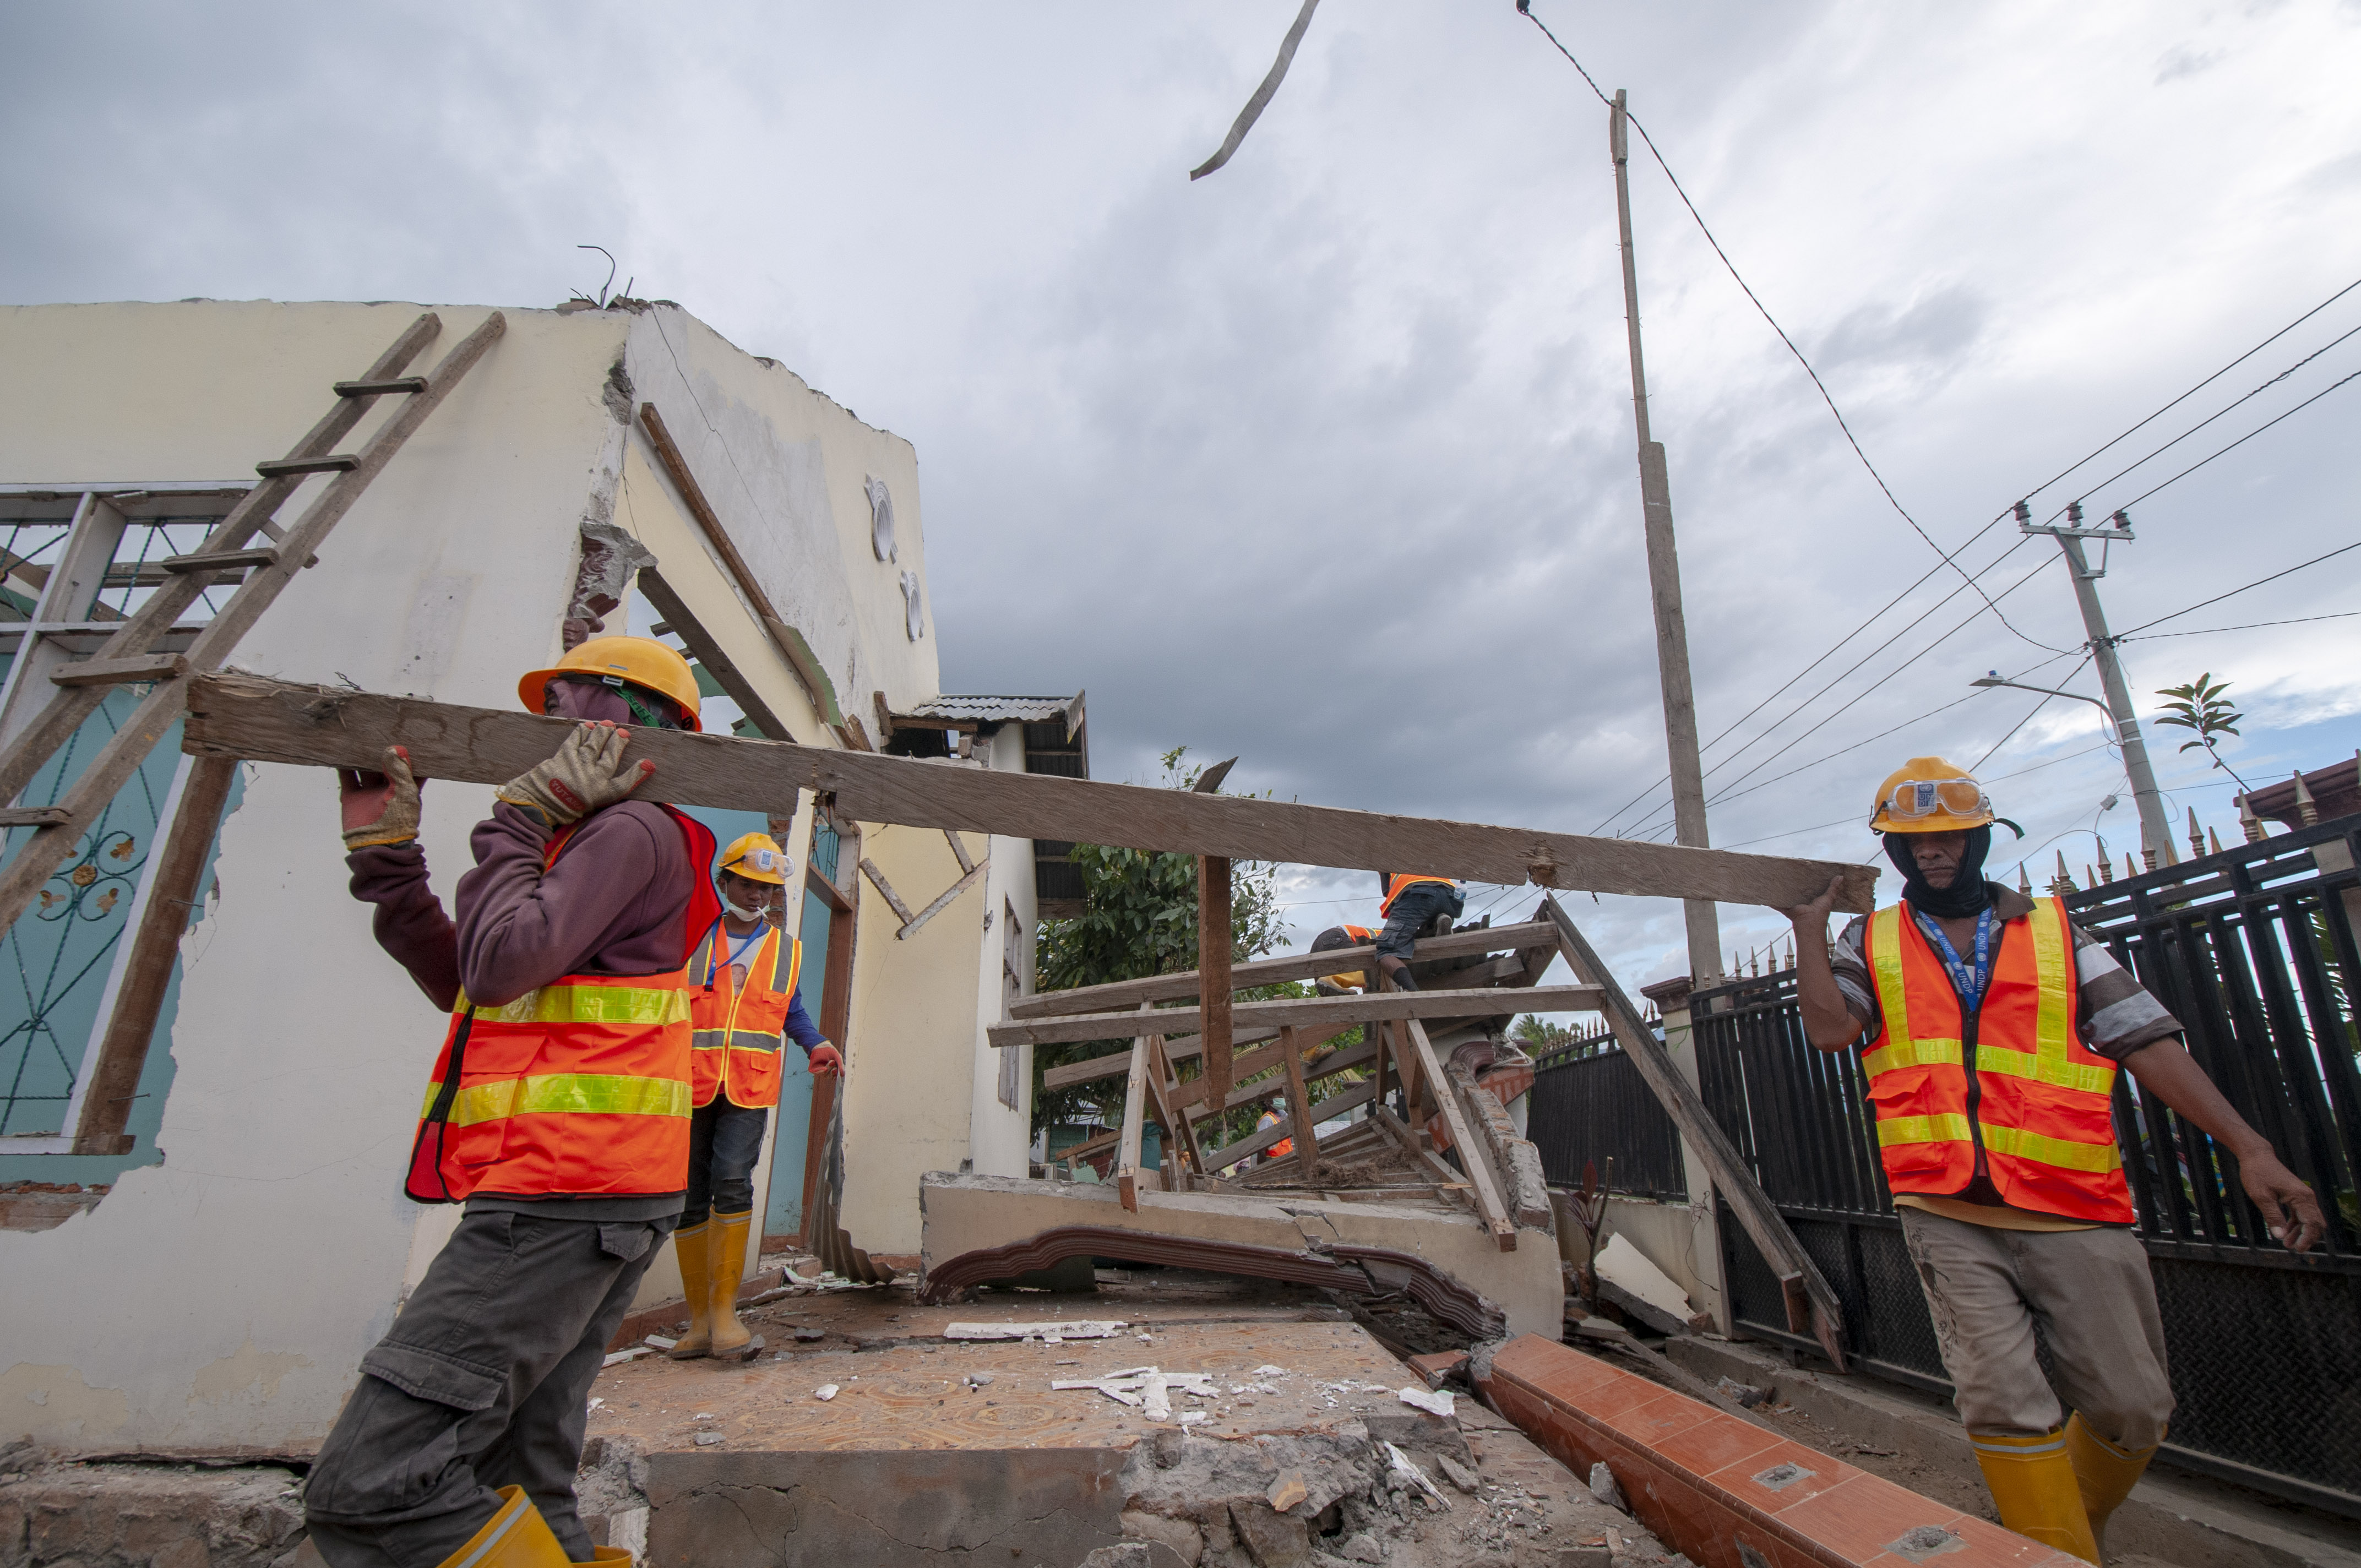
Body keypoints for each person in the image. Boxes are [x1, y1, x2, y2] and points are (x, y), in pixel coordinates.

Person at [1775, 756, 2324, 1564]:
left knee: (2133, 1408)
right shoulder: (1873, 939)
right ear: (1892, 852)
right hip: (1944, 1206)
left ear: (1981, 838)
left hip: (2077, 1206)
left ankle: (2054, 1535)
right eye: (1913, 843)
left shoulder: (2061, 933)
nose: (1933, 855)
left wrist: (2252, 1148)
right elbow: (1830, 1032)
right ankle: (2059, 1552)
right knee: (2002, 1402)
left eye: (1951, 839)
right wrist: (1808, 933)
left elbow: (2146, 1041)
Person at [307, 636, 723, 1568]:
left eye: (557, 708)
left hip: (562, 1194)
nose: (539, 735)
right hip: (584, 1192)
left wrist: (518, 817)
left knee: (370, 1484)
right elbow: (472, 977)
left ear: (610, 717)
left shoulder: (631, 831)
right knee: (515, 1474)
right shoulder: (590, 836)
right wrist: (389, 864)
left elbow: (500, 965)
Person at [667, 831, 841, 1363]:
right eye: (747, 885)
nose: (757, 896)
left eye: (766, 889)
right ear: (725, 882)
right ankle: (700, 1321)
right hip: (689, 1083)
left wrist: (816, 1042)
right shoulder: (693, 937)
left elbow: (790, 1010)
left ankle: (725, 1313)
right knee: (691, 1192)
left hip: (746, 1086)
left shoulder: (784, 950)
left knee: (731, 1180)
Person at [1371, 873, 1464, 992]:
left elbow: (1387, 891)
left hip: (1417, 893)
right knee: (1426, 915)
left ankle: (1413, 992)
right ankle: (1437, 921)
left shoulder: (1386, 854)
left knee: (1386, 952)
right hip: (1450, 896)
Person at [1310, 923, 1376, 995]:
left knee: (1328, 990)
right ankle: (1333, 979)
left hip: (1318, 947)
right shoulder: (1389, 936)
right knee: (1378, 972)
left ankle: (1331, 981)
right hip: (1336, 939)